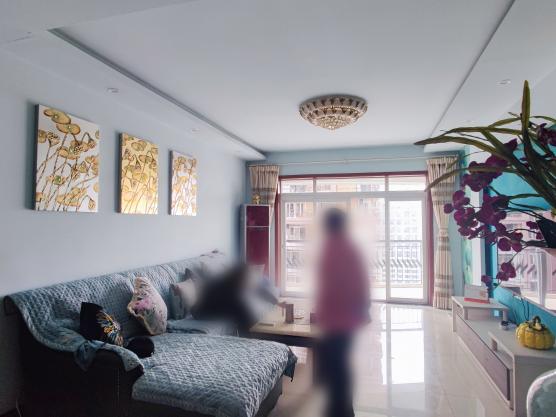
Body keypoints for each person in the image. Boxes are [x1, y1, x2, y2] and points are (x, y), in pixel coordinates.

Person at [316, 208, 370, 417]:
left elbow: (329, 285)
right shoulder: (349, 247)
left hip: (335, 317)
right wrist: (364, 307)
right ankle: (340, 408)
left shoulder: (331, 248)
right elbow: (361, 280)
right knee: (340, 363)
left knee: (337, 365)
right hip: (345, 316)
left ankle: (340, 410)